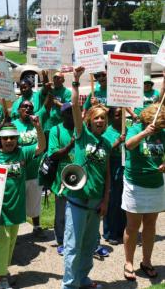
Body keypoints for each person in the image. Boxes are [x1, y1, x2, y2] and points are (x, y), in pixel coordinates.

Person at [62, 67, 111, 289]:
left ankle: (82, 279)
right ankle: (69, 285)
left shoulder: (107, 143)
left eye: (103, 118)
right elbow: (74, 106)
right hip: (77, 202)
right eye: (97, 118)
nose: (100, 121)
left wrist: (105, 201)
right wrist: (74, 81)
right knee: (73, 246)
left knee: (89, 244)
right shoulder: (82, 135)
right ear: (89, 121)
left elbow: (107, 174)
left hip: (95, 203)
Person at [0, 122, 46, 289]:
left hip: (17, 207)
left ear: (17, 139)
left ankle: (0, 271)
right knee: (2, 242)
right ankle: (1, 278)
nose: (9, 141)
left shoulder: (22, 153)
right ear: (0, 140)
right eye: (5, 138)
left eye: (12, 137)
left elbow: (41, 146)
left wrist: (39, 128)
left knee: (11, 242)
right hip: (1, 209)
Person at [122, 103, 165, 281]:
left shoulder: (162, 132)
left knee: (150, 224)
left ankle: (146, 261)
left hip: (155, 184)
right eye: (159, 125)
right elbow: (129, 145)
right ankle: (128, 262)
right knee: (133, 227)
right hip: (135, 185)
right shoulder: (135, 128)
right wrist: (144, 133)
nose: (160, 128)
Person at [13, 96, 51, 238]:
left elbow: (42, 144)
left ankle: (37, 226)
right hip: (19, 173)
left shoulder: (36, 124)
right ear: (19, 110)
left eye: (30, 107)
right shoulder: (13, 125)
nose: (28, 109)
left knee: (35, 202)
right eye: (25, 106)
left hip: (35, 171)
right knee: (17, 203)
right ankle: (14, 231)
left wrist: (38, 126)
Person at [48, 102, 75, 255]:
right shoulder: (56, 130)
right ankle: (61, 240)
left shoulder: (82, 129)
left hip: (80, 178)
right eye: (68, 112)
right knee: (61, 213)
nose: (71, 114)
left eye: (74, 111)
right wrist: (69, 146)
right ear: (62, 114)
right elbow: (53, 154)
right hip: (61, 180)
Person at [103, 107, 126, 245]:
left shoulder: (127, 129)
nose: (120, 117)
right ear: (111, 117)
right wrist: (118, 141)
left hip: (126, 167)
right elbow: (104, 151)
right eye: (117, 115)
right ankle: (109, 232)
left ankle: (121, 230)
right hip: (112, 166)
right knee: (112, 201)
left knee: (124, 202)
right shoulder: (107, 133)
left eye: (122, 114)